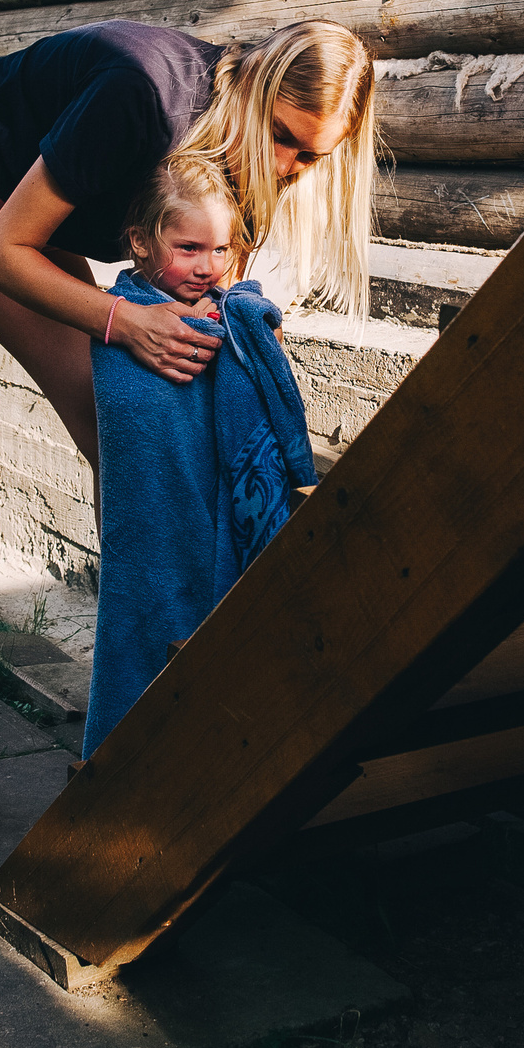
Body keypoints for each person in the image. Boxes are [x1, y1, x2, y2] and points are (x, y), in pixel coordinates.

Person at [0, 19, 378, 828]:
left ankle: (149, 687)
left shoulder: (238, 155)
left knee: (123, 430)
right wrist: (123, 325)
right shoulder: (143, 94)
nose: (289, 170)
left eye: (312, 158)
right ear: (260, 92)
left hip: (21, 204)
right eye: (285, 142)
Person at [83, 154, 315, 757]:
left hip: (212, 512)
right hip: (153, 525)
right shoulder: (125, 324)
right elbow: (134, 426)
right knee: (142, 622)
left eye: (222, 250)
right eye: (189, 249)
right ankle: (122, 767)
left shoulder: (230, 319)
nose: (209, 268)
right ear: (140, 241)